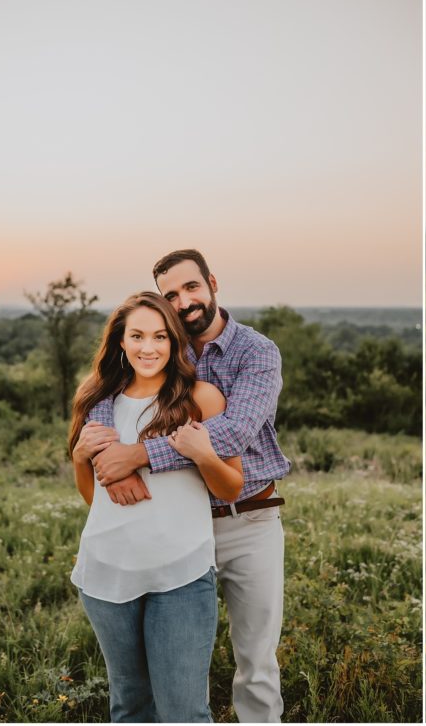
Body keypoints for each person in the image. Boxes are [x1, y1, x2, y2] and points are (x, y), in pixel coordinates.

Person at [78, 249, 289, 722]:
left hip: (247, 518)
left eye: (191, 287)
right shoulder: (161, 346)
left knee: (255, 659)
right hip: (173, 526)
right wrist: (100, 448)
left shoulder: (256, 352)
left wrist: (138, 455)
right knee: (172, 671)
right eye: (171, 294)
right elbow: (107, 392)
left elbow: (232, 433)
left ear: (212, 283)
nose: (184, 301)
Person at [69, 291, 244, 722]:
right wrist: (79, 458)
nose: (149, 348)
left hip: (181, 575)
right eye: (137, 336)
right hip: (107, 574)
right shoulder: (96, 399)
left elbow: (231, 488)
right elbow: (95, 500)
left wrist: (203, 455)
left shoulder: (202, 398)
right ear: (120, 341)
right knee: (130, 706)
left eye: (160, 336)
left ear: (174, 342)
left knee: (184, 711)